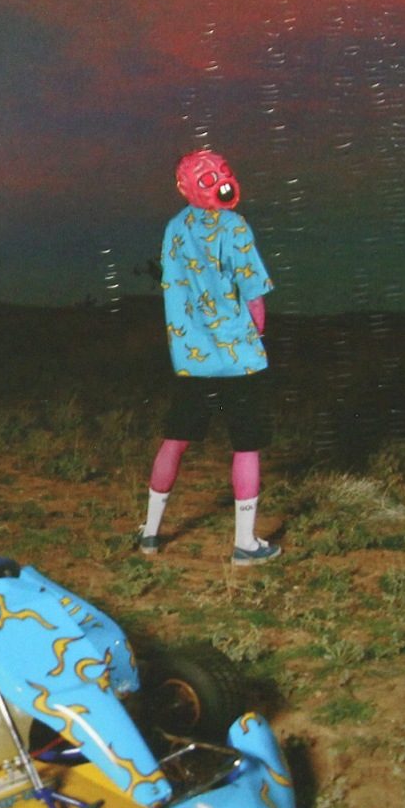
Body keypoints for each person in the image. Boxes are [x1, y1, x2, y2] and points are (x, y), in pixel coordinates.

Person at [140, 149, 280, 564]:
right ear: (189, 187)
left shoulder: (174, 228)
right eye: (210, 178)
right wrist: (255, 336)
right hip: (239, 358)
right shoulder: (235, 226)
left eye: (223, 173)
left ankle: (150, 533)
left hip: (192, 358)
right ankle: (245, 544)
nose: (221, 182)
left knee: (175, 440)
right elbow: (254, 296)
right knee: (246, 446)